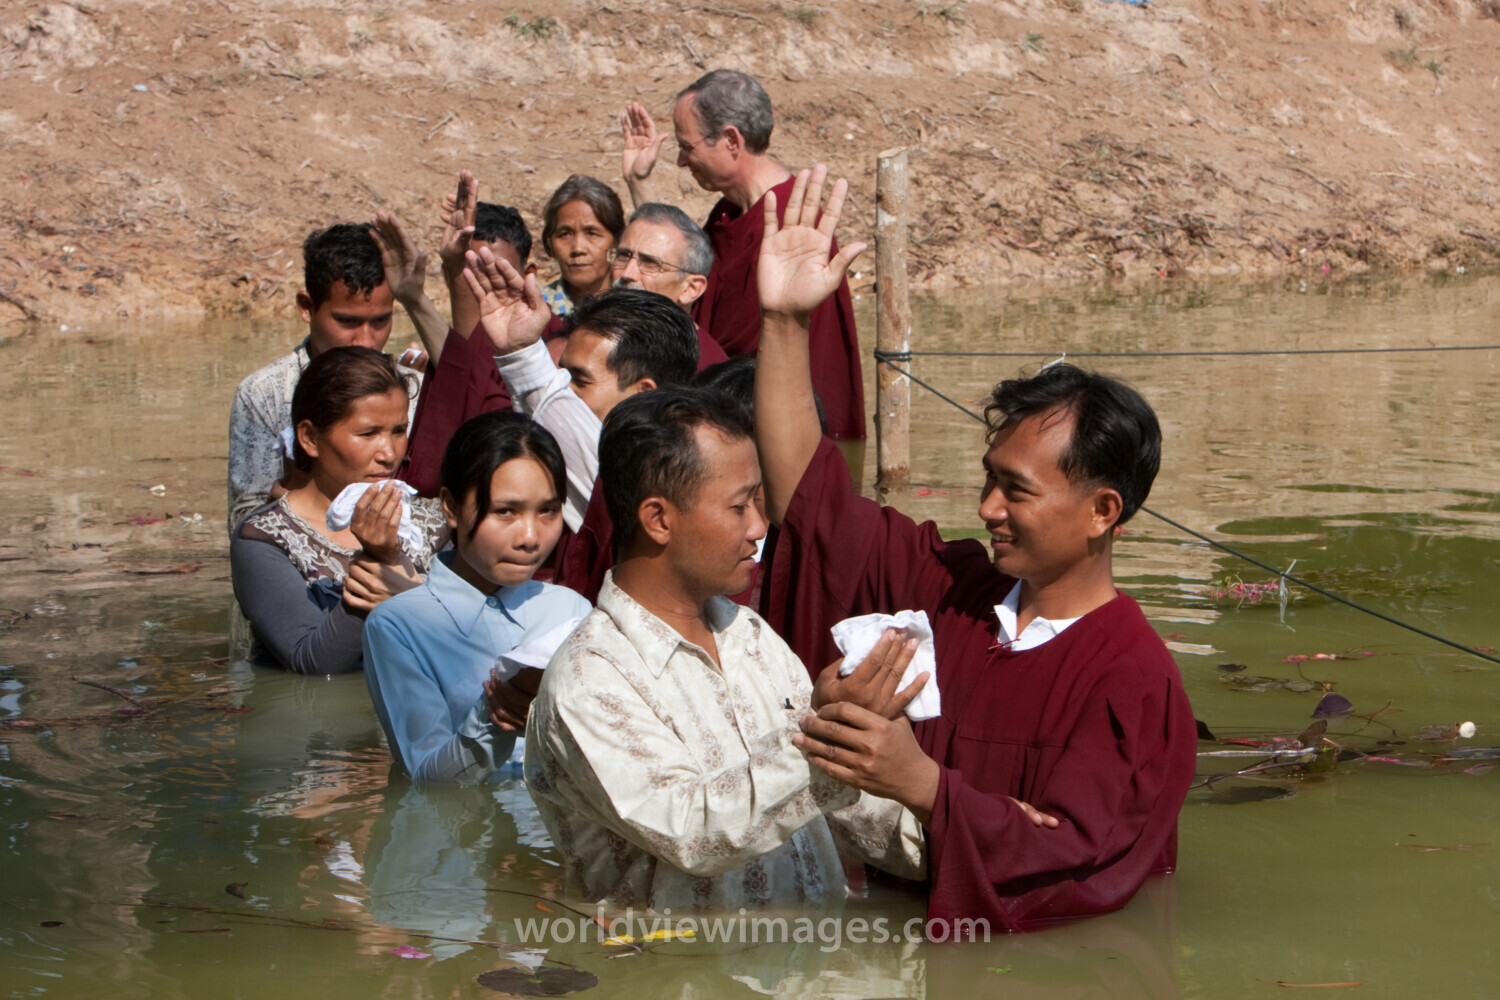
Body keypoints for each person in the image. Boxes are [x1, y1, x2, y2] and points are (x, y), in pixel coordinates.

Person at [751, 167, 1198, 933]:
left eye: (1016, 492)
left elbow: (1086, 870)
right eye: (988, 481)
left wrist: (921, 784)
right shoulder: (954, 588)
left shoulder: (1134, 680)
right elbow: (813, 502)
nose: (987, 509)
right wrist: (786, 325)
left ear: (1102, 511)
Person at [524, 387, 925, 910]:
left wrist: (963, 826)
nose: (760, 527)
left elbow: (835, 808)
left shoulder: (749, 634)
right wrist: (827, 739)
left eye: (759, 501)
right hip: (677, 975)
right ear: (659, 519)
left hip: (814, 967)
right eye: (740, 506)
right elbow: (692, 832)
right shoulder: (588, 677)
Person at [618, 72, 865, 441]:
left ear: (731, 140)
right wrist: (639, 182)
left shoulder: (792, 224)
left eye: (688, 146)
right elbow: (681, 279)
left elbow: (764, 357)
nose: (682, 161)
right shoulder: (727, 213)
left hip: (773, 432)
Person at [363, 411, 591, 783]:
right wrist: (497, 717)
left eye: (548, 511)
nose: (530, 537)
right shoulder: (398, 626)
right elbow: (429, 779)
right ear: (451, 507)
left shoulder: (572, 610)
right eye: (505, 512)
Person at [231, 347, 448, 675]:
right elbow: (312, 661)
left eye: (399, 431)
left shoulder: (433, 523)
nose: (389, 453)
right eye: (368, 434)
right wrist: (377, 559)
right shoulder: (264, 539)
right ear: (310, 438)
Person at [461, 250, 700, 532]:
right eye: (560, 375)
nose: (563, 391)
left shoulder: (671, 482)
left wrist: (521, 354)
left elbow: (587, 449)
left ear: (643, 394)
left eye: (579, 380)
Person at [227, 219, 443, 530]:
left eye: (381, 321)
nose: (366, 340)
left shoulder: (414, 384)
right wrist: (298, 490)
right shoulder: (266, 393)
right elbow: (243, 521)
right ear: (307, 307)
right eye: (347, 321)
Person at [610, 202, 729, 368]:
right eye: (623, 256)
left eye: (650, 263)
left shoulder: (705, 371)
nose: (627, 273)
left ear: (691, 289)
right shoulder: (595, 337)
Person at [535, 175, 623, 319]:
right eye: (565, 234)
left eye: (592, 233)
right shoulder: (535, 309)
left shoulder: (635, 310)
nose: (577, 248)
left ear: (617, 242)